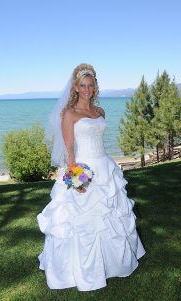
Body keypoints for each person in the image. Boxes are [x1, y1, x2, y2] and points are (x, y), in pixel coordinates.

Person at [37, 63, 145, 291]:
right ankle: (78, 271)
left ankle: (114, 264)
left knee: (113, 215)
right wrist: (76, 180)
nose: (87, 89)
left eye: (90, 85)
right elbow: (69, 151)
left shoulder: (100, 112)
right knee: (83, 222)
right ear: (75, 88)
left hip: (105, 166)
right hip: (84, 170)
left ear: (95, 87)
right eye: (82, 86)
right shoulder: (69, 114)